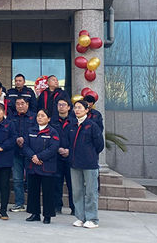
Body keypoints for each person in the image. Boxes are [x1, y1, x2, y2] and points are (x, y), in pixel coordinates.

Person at [24, 109, 68, 224]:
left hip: (47, 166)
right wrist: (33, 157)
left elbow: (53, 148)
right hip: (33, 165)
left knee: (48, 192)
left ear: (48, 119)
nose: (39, 118)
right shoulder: (30, 130)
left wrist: (39, 157)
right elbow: (25, 146)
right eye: (38, 115)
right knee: (33, 191)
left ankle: (47, 215)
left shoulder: (53, 132)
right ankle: (35, 213)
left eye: (43, 116)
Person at [68, 100, 105, 229]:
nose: (77, 110)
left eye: (80, 107)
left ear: (87, 110)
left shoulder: (92, 125)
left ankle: (92, 218)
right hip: (75, 163)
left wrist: (90, 154)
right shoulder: (72, 125)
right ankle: (80, 217)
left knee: (90, 192)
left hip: (89, 164)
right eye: (75, 108)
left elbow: (99, 145)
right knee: (77, 192)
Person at [9, 96, 35, 212]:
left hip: (29, 152)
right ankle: (19, 203)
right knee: (17, 179)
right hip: (16, 151)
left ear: (27, 104)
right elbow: (10, 131)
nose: (20, 106)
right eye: (18, 104)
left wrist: (24, 138)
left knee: (31, 179)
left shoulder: (33, 117)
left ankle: (31, 204)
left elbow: (34, 131)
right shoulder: (12, 117)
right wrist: (16, 138)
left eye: (22, 103)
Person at [54, 98, 76, 215]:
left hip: (70, 157)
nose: (61, 106)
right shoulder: (53, 122)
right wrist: (57, 148)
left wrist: (69, 150)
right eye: (59, 104)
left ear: (68, 107)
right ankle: (57, 206)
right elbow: (51, 138)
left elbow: (76, 140)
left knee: (72, 184)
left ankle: (74, 207)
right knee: (57, 183)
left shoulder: (74, 122)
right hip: (56, 157)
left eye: (64, 105)